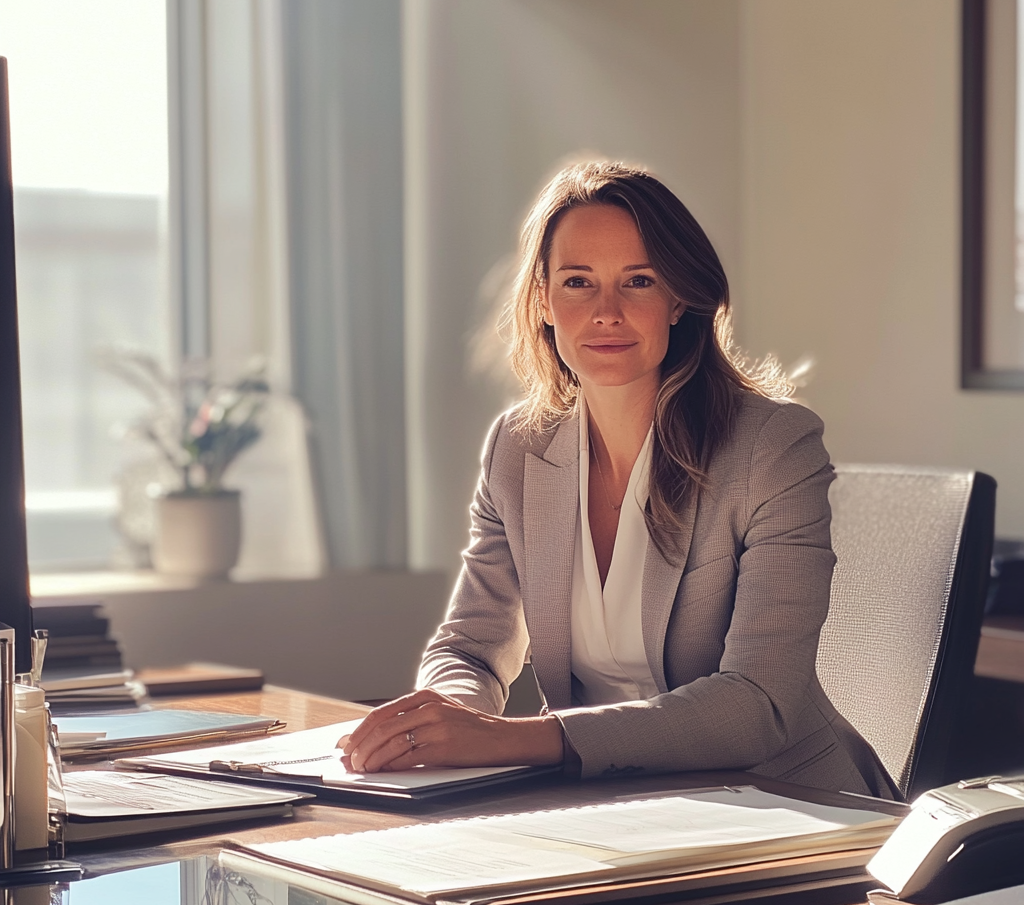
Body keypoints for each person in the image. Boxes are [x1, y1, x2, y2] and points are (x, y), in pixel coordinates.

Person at [341, 160, 897, 802]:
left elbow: (756, 706)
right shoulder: (518, 449)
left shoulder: (772, 447)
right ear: (544, 301)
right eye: (578, 282)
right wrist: (440, 728)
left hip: (786, 807)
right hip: (610, 810)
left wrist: (510, 740)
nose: (606, 312)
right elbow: (469, 648)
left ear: (679, 297)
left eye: (638, 281)